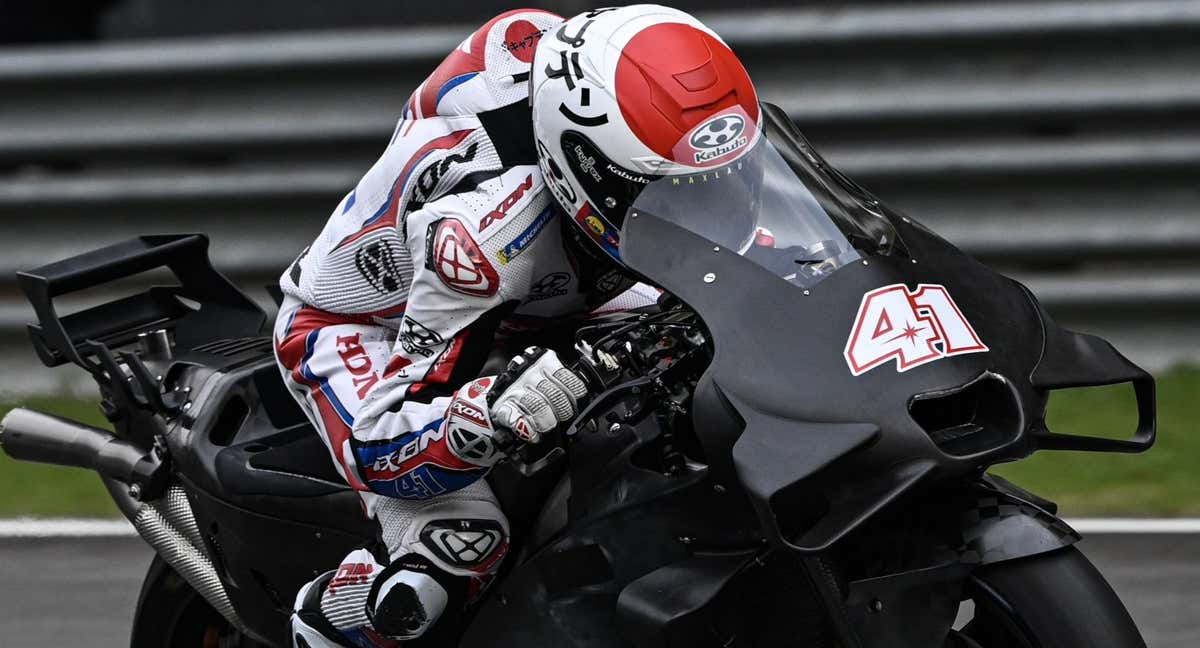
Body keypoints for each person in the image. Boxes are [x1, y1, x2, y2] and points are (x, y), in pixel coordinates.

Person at [275, 5, 761, 645]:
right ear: (583, 165)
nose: (706, 207)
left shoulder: (647, 136)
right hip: (364, 327)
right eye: (667, 191)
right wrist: (490, 413)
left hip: (556, 301)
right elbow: (380, 447)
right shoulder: (485, 238)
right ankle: (327, 626)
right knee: (456, 554)